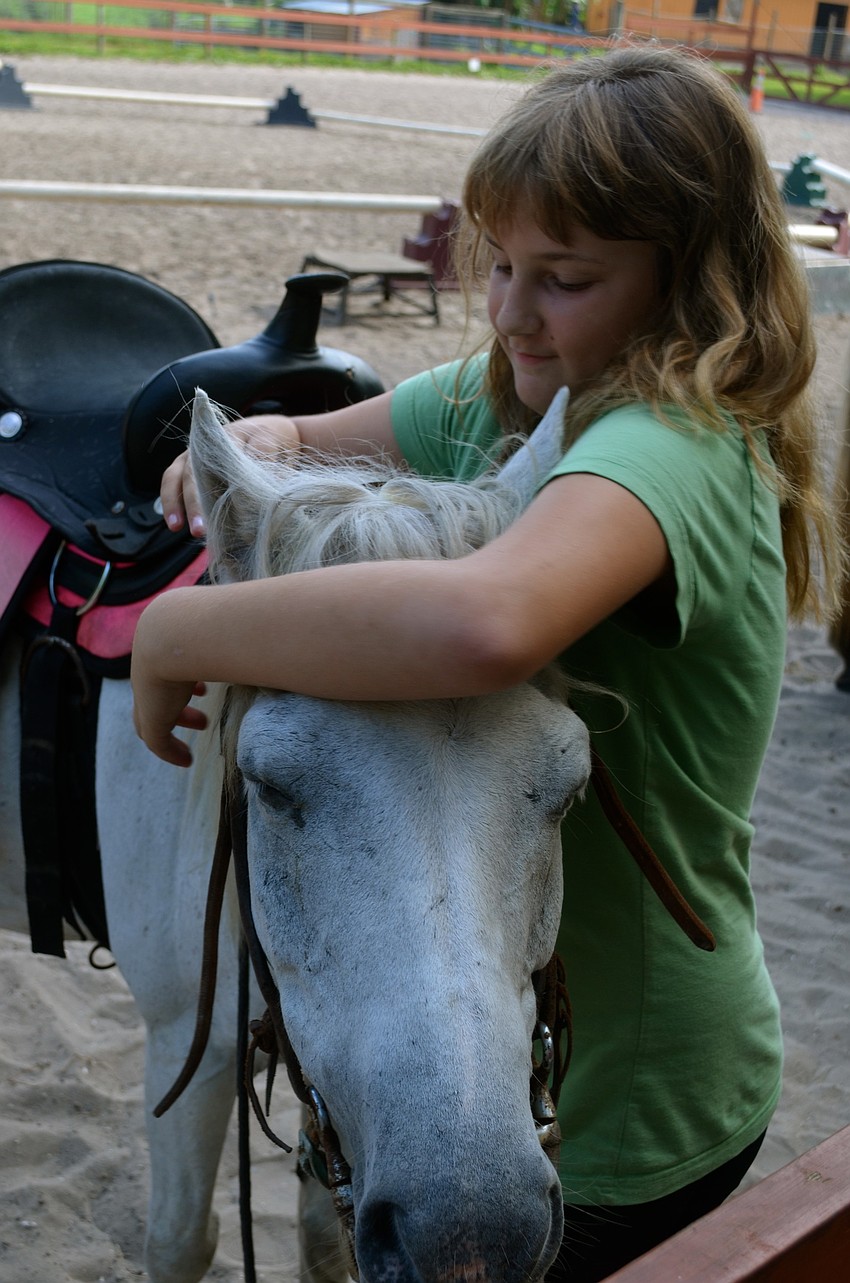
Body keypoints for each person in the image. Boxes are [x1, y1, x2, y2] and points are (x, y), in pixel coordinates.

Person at [132, 44, 844, 1281]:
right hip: (487, 1049)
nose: (511, 312)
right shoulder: (526, 390)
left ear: (692, 292)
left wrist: (176, 630)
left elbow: (483, 626)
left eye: (562, 279)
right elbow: (362, 426)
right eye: (501, 265)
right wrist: (274, 431)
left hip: (629, 1103)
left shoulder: (669, 446)